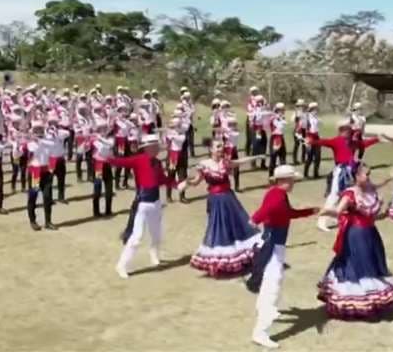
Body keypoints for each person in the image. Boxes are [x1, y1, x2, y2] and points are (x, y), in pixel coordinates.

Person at [317, 162, 393, 319]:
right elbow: (338, 211)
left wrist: (385, 212)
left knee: (373, 263)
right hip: (356, 235)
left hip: (370, 233)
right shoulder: (350, 194)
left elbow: (373, 211)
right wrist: (323, 211)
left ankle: (372, 301)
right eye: (365, 174)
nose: (368, 177)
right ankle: (358, 302)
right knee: (359, 266)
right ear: (356, 176)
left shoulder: (369, 189)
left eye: (369, 173)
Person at [247, 165, 319, 349]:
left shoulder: (278, 194)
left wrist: (309, 211)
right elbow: (268, 209)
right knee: (273, 285)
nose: (294, 183)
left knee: (271, 282)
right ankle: (260, 332)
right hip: (272, 245)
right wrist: (255, 219)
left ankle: (263, 309)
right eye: (292, 180)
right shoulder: (277, 196)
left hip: (275, 244)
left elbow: (288, 213)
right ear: (284, 180)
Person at [188, 140, 261, 277]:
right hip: (216, 201)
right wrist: (186, 182)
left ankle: (239, 257)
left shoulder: (225, 162)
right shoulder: (204, 165)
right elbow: (196, 181)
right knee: (218, 228)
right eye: (218, 146)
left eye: (222, 146)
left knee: (236, 225)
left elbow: (239, 162)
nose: (221, 149)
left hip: (229, 199)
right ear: (211, 149)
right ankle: (220, 260)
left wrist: (255, 157)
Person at [110, 134, 176, 279]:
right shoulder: (138, 160)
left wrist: (177, 185)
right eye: (154, 147)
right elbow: (120, 162)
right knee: (137, 237)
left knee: (156, 234)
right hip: (142, 204)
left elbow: (162, 179)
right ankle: (121, 265)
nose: (157, 149)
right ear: (147, 148)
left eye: (157, 146)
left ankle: (154, 254)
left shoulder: (157, 163)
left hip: (156, 203)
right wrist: (105, 157)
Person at [311, 120, 379, 232]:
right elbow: (323, 142)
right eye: (345, 129)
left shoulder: (353, 142)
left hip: (351, 172)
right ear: (341, 130)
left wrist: (377, 139)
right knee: (334, 196)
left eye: (349, 130)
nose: (348, 132)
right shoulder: (337, 141)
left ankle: (338, 217)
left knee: (348, 195)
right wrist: (311, 141)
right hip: (340, 172)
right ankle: (322, 221)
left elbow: (363, 144)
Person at [26, 121, 57, 231]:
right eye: (37, 130)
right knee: (33, 197)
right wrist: (33, 139)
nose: (39, 132)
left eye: (40, 129)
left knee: (47, 197)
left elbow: (53, 154)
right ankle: (33, 221)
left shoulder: (47, 142)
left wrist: (51, 169)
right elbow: (33, 151)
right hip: (35, 171)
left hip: (46, 171)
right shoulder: (30, 144)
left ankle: (48, 221)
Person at [91, 121, 115, 218]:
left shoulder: (110, 138)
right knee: (97, 188)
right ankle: (96, 211)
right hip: (98, 165)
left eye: (105, 128)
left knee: (109, 188)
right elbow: (102, 148)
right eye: (101, 128)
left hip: (107, 164)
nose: (103, 130)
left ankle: (108, 210)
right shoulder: (94, 139)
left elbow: (110, 145)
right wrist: (98, 138)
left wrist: (100, 138)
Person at [267, 103, 287, 178]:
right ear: (278, 110)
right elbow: (277, 125)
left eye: (283, 110)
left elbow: (283, 127)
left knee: (283, 158)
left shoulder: (282, 118)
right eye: (282, 110)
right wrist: (277, 117)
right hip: (275, 138)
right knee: (273, 158)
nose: (283, 111)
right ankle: (271, 176)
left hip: (281, 137)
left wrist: (281, 118)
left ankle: (282, 175)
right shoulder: (273, 117)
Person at [303, 102, 321, 179]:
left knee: (317, 157)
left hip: (316, 137)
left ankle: (316, 173)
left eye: (316, 109)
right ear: (311, 109)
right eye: (314, 109)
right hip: (310, 137)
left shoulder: (316, 117)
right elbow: (305, 128)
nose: (316, 110)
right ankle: (305, 174)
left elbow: (318, 125)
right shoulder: (307, 117)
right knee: (309, 157)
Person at [291, 99, 307, 165]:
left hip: (304, 130)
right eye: (300, 105)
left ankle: (303, 159)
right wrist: (297, 117)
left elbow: (306, 122)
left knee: (304, 144)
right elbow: (292, 120)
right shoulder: (296, 113)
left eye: (302, 105)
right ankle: (294, 160)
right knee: (296, 145)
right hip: (297, 130)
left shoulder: (305, 113)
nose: (301, 107)